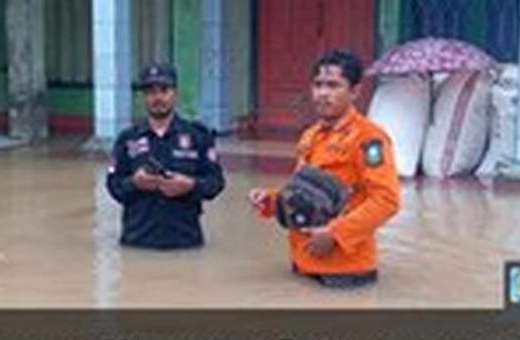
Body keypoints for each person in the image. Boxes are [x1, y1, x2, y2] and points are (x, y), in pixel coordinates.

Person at [249, 49, 401, 288]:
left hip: (345, 271)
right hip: (303, 261)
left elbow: (386, 200)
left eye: (333, 85)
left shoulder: (369, 138)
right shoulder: (310, 136)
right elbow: (303, 193)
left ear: (355, 92)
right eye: (318, 85)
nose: (322, 93)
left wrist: (336, 234)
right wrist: (270, 201)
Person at [106, 63, 225, 249]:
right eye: (151, 92)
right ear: (143, 97)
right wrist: (135, 183)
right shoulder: (127, 139)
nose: (158, 97)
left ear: (175, 94)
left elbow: (216, 183)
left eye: (164, 90)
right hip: (138, 242)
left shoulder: (198, 136)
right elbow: (113, 186)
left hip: (185, 242)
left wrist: (191, 185)